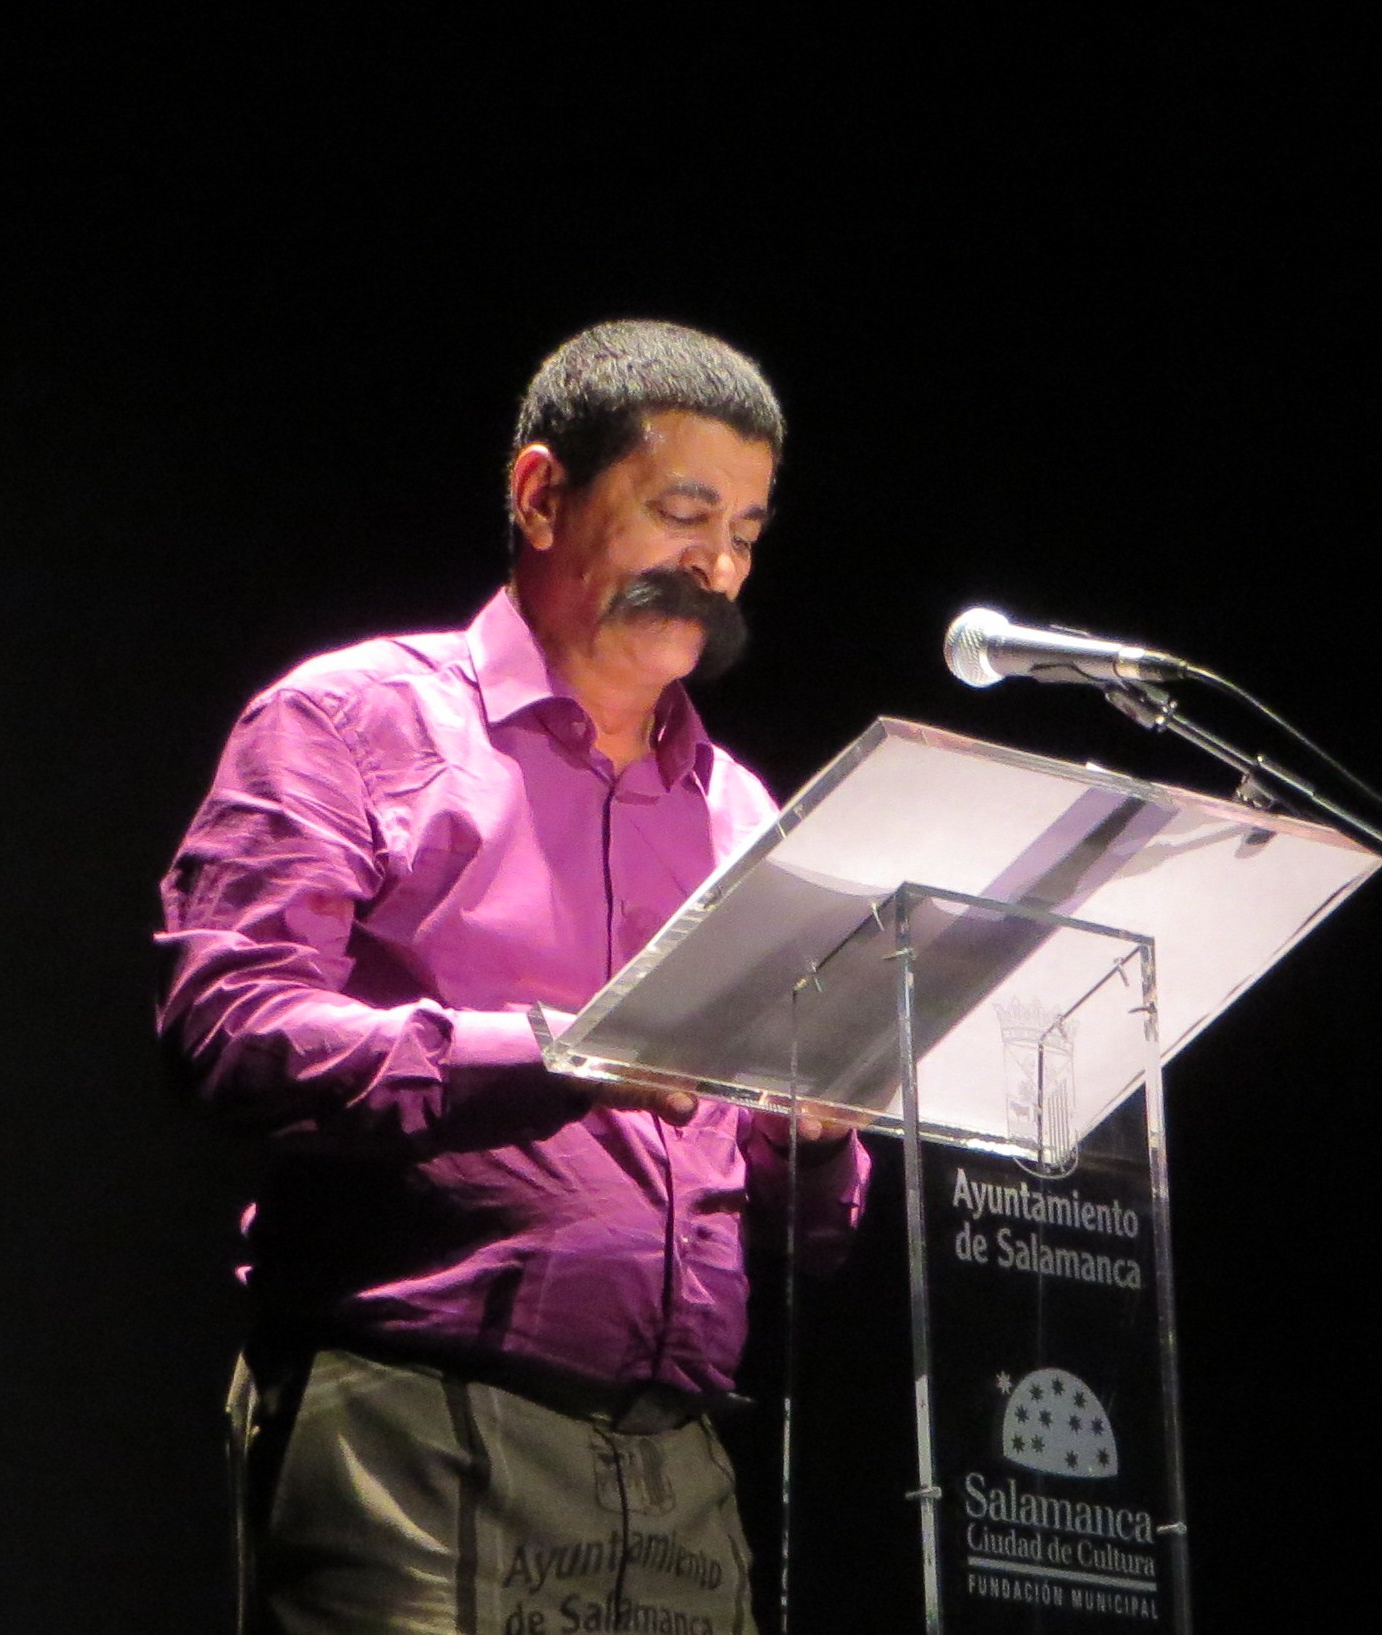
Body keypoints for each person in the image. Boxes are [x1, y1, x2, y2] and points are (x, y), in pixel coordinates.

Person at [156, 320, 871, 1634]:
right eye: (682, 512)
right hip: (415, 1427)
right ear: (542, 493)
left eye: (750, 531)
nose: (718, 566)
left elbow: (809, 1234)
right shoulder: (350, 721)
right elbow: (231, 1030)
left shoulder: (742, 815)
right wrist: (552, 1054)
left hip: (681, 1465)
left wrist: (815, 1141)